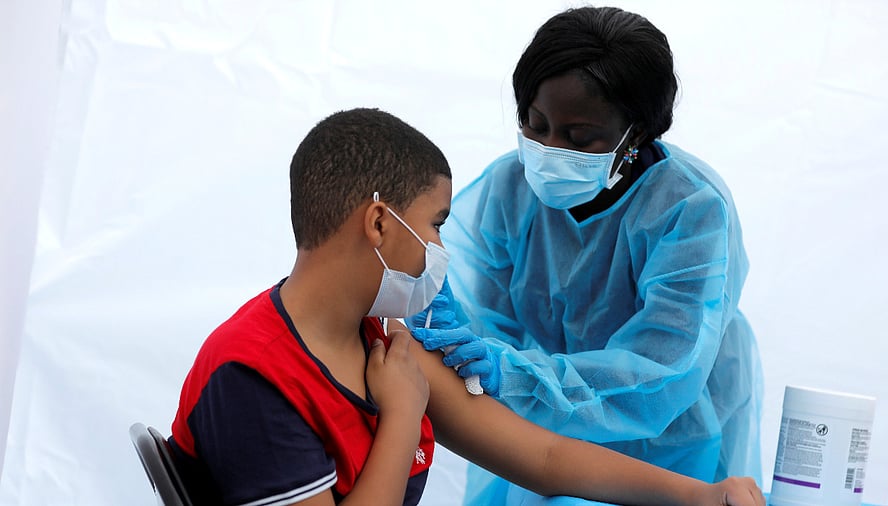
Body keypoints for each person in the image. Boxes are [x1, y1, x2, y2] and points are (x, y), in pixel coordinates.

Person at [166, 108, 764, 506]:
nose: (443, 249)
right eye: (436, 224)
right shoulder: (253, 377)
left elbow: (545, 457)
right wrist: (403, 415)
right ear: (379, 223)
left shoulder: (378, 341)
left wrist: (703, 496)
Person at [407, 6, 763, 505]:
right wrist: (456, 336)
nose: (549, 149)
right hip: (540, 423)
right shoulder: (509, 189)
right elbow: (474, 320)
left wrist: (516, 376)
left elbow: (662, 372)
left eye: (579, 138)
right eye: (535, 125)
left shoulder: (690, 208)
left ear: (636, 133)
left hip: (667, 432)